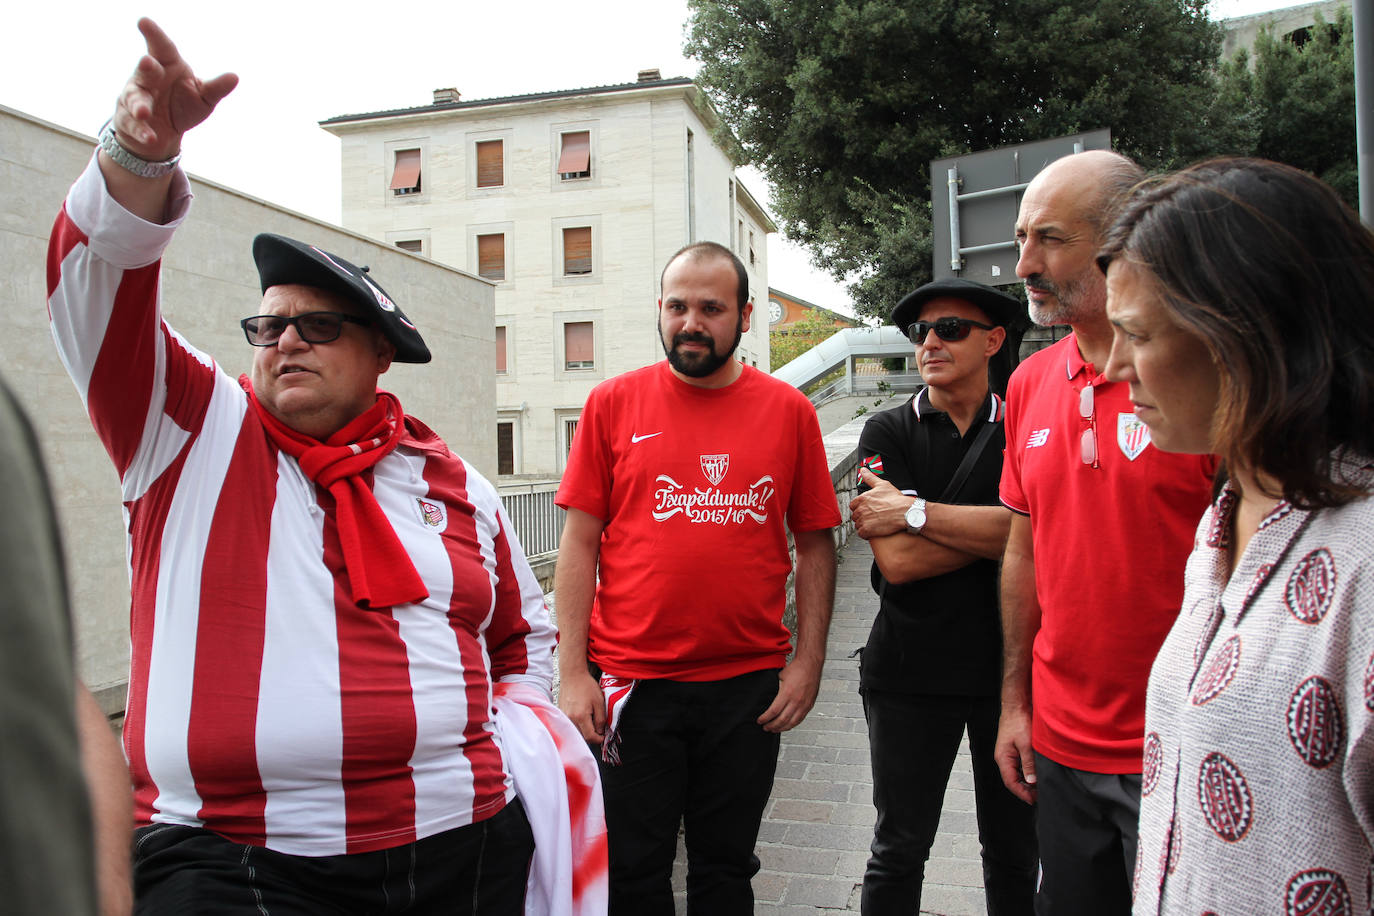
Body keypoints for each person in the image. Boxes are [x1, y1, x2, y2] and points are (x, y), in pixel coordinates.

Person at [46, 19, 594, 914]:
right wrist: (137, 158)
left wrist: (508, 744)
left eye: (318, 324)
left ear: (380, 355)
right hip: (233, 857)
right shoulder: (190, 434)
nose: (284, 339)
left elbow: (523, 640)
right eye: (267, 326)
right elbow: (92, 292)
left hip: (462, 846)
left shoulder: (453, 482)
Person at [1097, 157, 1374, 915]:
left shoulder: (1365, 561)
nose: (1114, 366)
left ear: (1246, 334)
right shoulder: (1224, 522)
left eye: (1136, 333)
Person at [554, 240, 841, 914]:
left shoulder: (788, 412)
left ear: (744, 316)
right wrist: (572, 673)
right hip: (634, 686)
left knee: (726, 869)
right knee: (632, 871)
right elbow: (578, 545)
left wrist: (809, 664)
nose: (692, 322)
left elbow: (816, 544)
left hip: (746, 691)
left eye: (711, 308)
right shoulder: (611, 404)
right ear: (659, 309)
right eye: (678, 306)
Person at [994, 149, 1217, 915]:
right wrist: (1015, 702)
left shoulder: (1195, 380)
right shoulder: (1028, 382)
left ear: (1121, 237)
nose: (1025, 264)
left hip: (1183, 746)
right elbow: (1025, 550)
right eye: (1022, 239)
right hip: (1058, 747)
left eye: (1049, 239)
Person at [849, 278, 1038, 915]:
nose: (930, 342)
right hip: (908, 671)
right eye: (921, 332)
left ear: (993, 340)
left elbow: (1045, 533)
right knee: (898, 850)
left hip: (1010, 672)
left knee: (1015, 852)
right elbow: (898, 563)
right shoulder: (888, 429)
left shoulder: (1028, 428)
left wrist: (915, 511)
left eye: (949, 329)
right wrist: (1010, 530)